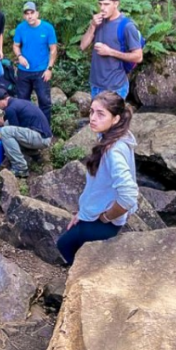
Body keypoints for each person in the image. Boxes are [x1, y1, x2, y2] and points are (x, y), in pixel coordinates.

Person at [55, 91, 139, 265]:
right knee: (72, 246)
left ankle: (79, 276)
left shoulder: (113, 151)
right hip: (95, 214)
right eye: (92, 112)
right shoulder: (117, 136)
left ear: (115, 119)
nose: (92, 118)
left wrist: (107, 217)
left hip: (105, 222)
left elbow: (129, 195)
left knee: (64, 245)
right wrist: (83, 212)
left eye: (100, 114)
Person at [79, 0, 143, 99]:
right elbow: (82, 46)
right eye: (100, 4)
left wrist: (110, 52)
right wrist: (92, 26)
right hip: (96, 85)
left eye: (106, 4)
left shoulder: (127, 26)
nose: (102, 8)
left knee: (114, 117)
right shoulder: (97, 22)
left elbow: (138, 57)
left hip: (115, 87)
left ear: (116, 4)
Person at [0, 88, 52, 178]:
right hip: (43, 135)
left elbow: (12, 130)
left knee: (5, 131)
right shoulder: (16, 103)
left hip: (41, 138)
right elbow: (9, 123)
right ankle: (31, 151)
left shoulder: (11, 109)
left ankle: (20, 168)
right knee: (7, 126)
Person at [13, 1, 57, 124]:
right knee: (22, 101)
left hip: (41, 72)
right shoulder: (21, 28)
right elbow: (16, 45)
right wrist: (19, 56)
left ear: (37, 13)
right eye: (27, 14)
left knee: (44, 102)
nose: (29, 16)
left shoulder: (47, 28)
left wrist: (49, 69)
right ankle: (25, 128)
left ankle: (45, 130)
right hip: (24, 71)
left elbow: (53, 49)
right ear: (24, 16)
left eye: (32, 13)